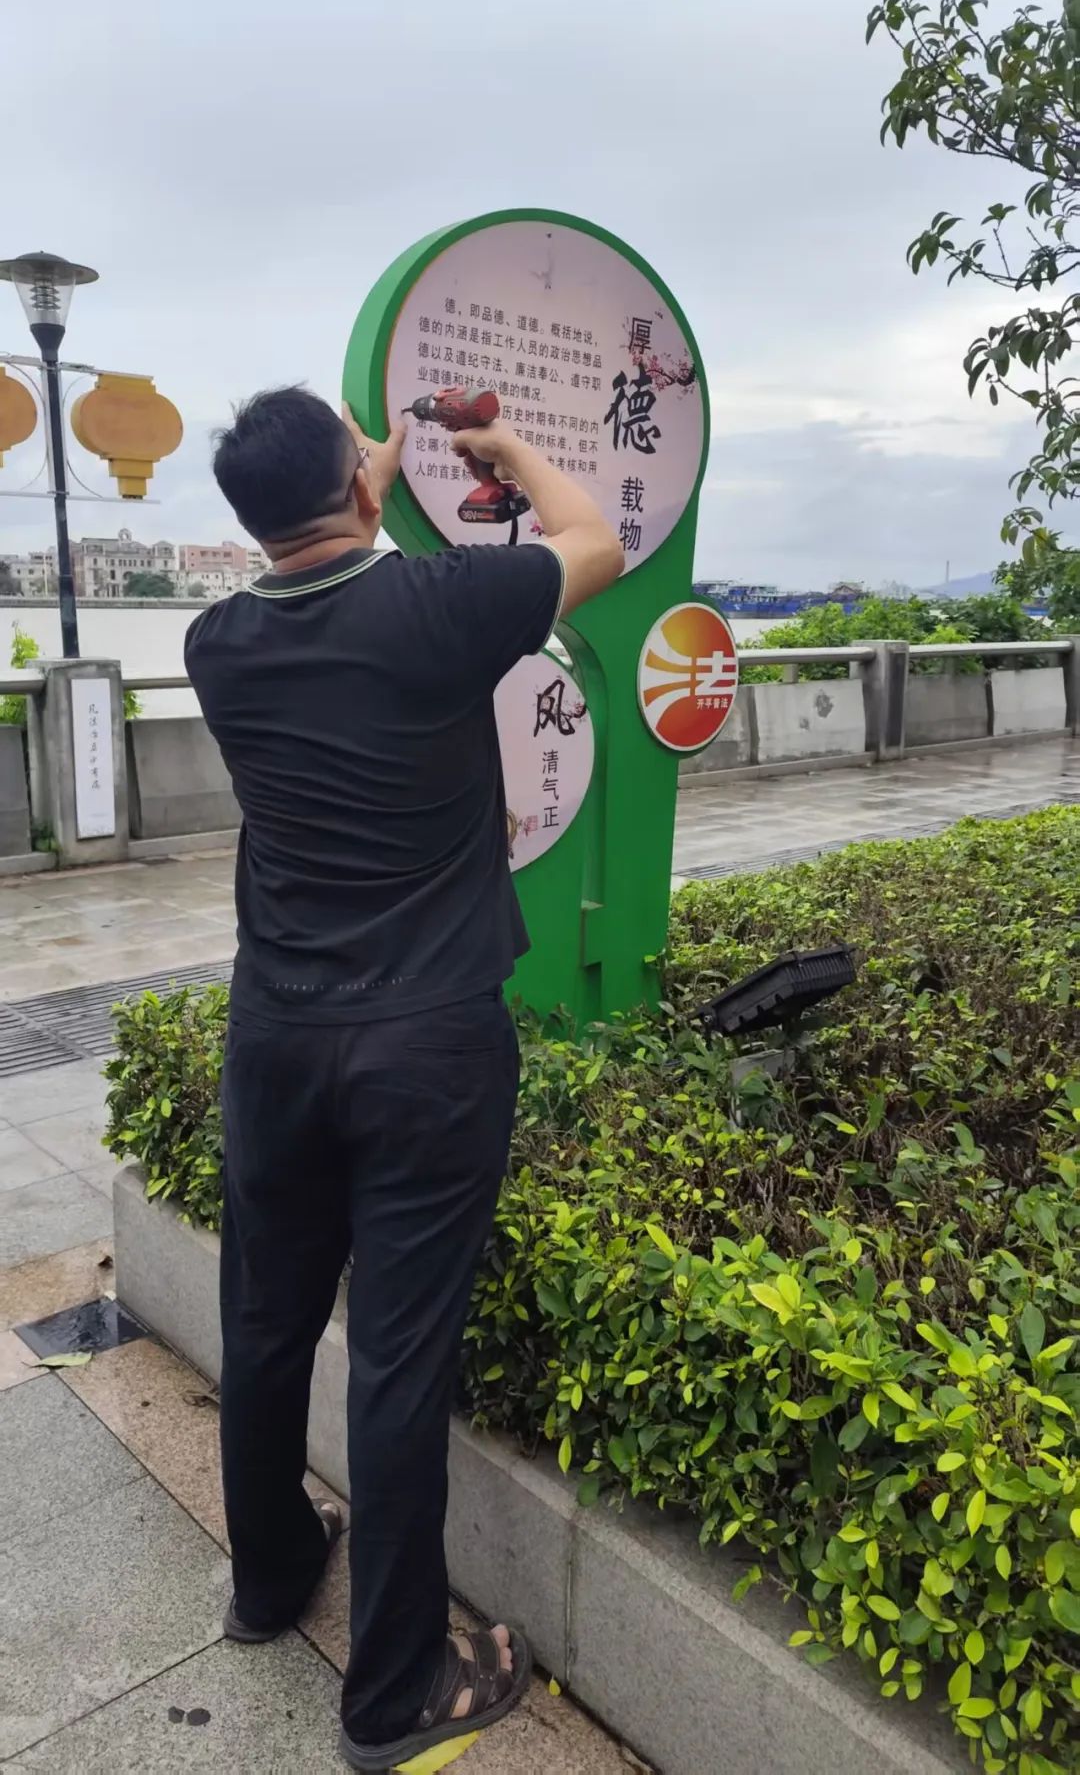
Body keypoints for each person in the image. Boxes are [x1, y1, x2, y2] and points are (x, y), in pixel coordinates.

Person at [184, 384, 624, 1770]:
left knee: (265, 1317)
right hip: (428, 1043)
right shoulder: (438, 609)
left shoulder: (216, 643)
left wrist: (357, 479)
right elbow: (594, 540)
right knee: (397, 1357)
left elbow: (327, 570)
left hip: (277, 1036)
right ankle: (393, 1693)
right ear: (367, 491)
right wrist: (506, 448)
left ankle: (268, 1582)